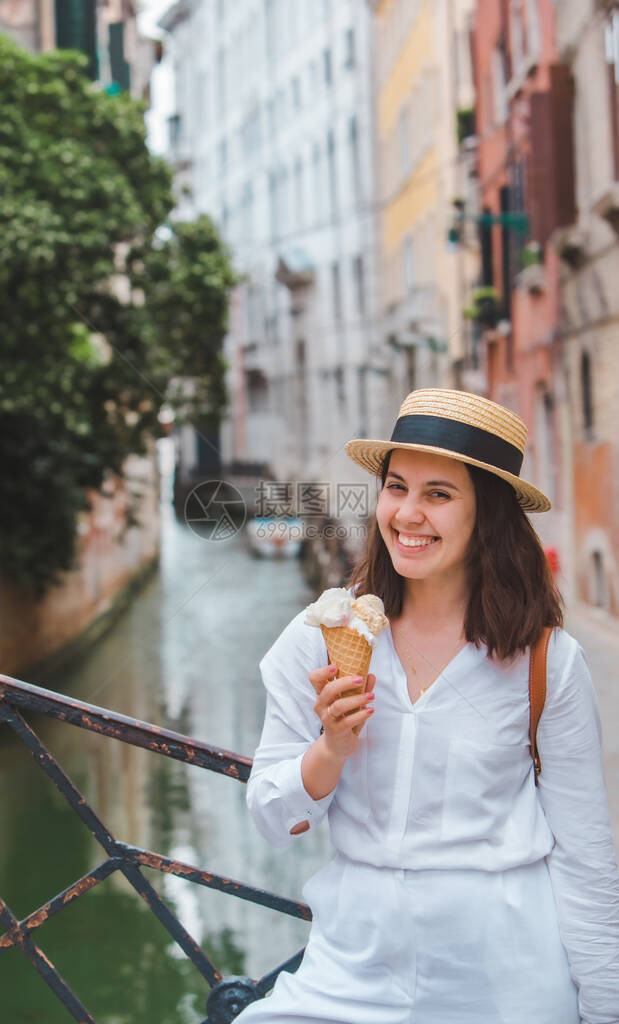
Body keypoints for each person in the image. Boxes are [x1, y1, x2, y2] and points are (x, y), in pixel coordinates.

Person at [235, 389, 618, 1024]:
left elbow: (584, 859)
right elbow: (273, 821)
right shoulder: (317, 636)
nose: (406, 514)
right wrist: (330, 748)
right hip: (350, 974)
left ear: (486, 515)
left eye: (439, 494)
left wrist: (604, 1011)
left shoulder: (547, 663)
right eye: (395, 487)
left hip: (503, 984)